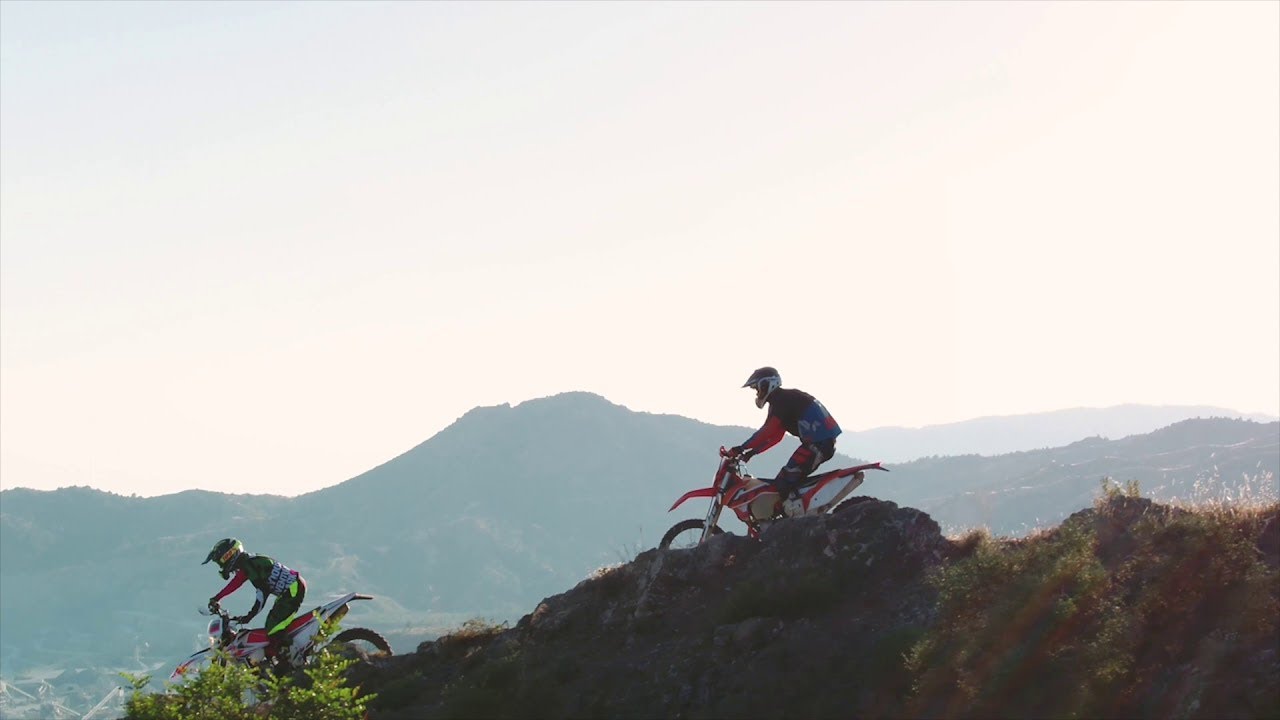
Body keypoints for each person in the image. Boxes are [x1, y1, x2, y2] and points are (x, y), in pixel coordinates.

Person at [729, 366, 843, 517]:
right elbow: (776, 436)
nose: (757, 393)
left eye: (757, 388)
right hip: (820, 443)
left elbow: (767, 431)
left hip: (818, 445)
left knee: (785, 480)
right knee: (787, 481)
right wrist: (752, 452)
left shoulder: (781, 401)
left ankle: (798, 518)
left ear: (767, 384)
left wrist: (742, 448)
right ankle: (796, 514)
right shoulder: (784, 399)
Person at [203, 538, 306, 664]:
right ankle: (279, 658)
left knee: (273, 627)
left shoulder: (250, 565)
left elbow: (262, 593)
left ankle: (294, 660)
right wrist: (217, 598)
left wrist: (250, 615)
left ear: (228, 555)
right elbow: (235, 583)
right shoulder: (247, 563)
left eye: (221, 561)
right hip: (289, 590)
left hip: (292, 590)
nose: (221, 566)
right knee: (272, 625)